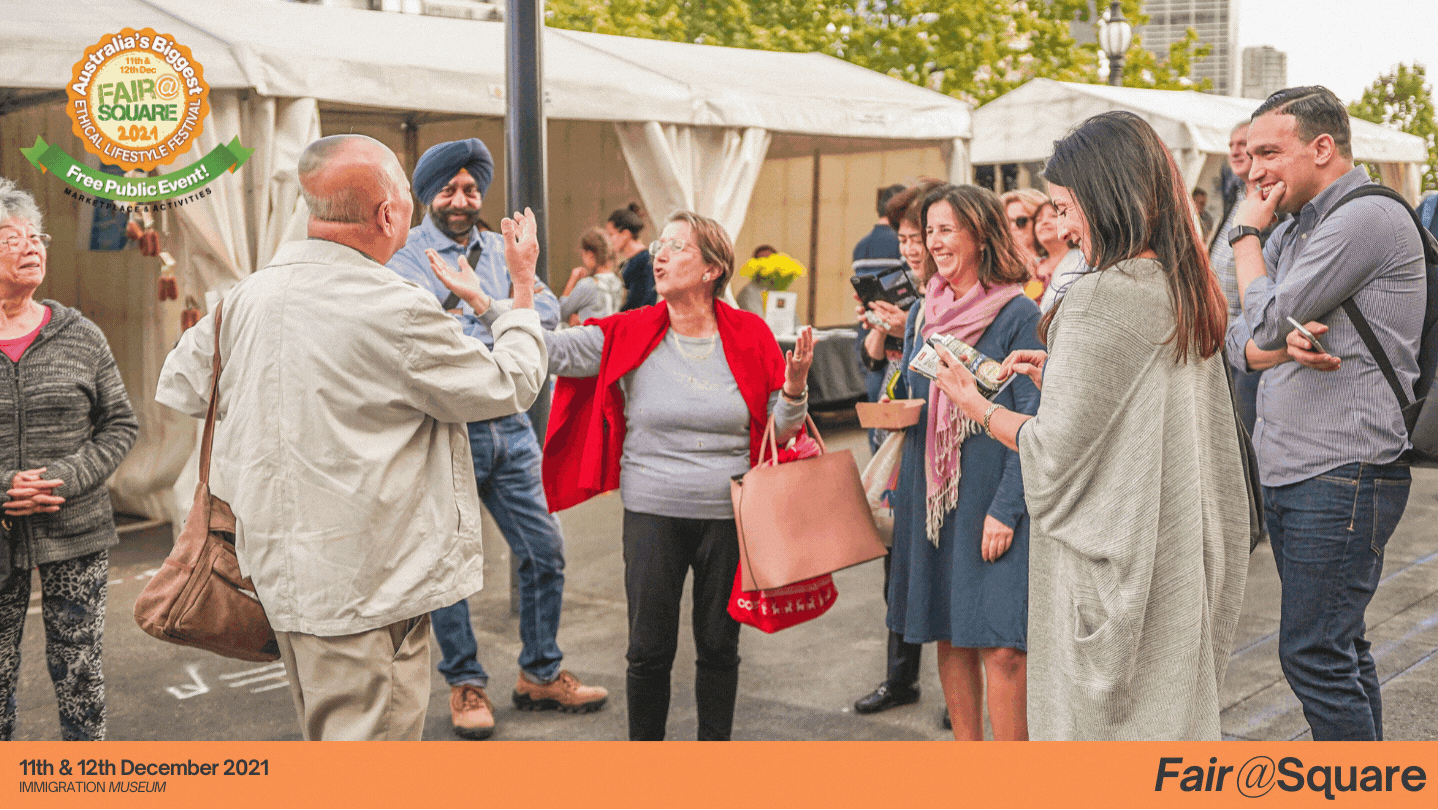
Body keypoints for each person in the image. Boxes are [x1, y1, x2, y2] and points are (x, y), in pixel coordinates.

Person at [156, 134, 549, 741]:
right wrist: (520, 290)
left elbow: (182, 385)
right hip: (367, 584)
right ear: (388, 213)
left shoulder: (247, 297)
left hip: (275, 574)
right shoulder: (392, 304)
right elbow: (511, 382)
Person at [937, 111, 1252, 740]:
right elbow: (1137, 412)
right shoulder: (1178, 282)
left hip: (1118, 567)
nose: (1059, 227)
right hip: (1178, 553)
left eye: (1063, 207)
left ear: (1106, 196)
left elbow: (1052, 453)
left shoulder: (1100, 296)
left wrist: (974, 404)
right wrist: (1059, 377)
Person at [541, 211, 814, 741]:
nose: (659, 256)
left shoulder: (750, 333)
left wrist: (796, 388)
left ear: (712, 269)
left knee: (719, 648)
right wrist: (504, 298)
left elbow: (778, 434)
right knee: (648, 652)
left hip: (728, 515)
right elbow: (552, 351)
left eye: (676, 247)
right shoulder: (632, 330)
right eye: (658, 246)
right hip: (652, 512)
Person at [386, 138, 605, 741]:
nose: (462, 200)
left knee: (545, 549)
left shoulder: (501, 251)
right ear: (427, 195)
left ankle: (540, 672)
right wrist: (499, 317)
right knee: (449, 566)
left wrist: (479, 308)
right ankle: (465, 681)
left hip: (511, 426)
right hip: (444, 429)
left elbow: (548, 313)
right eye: (449, 189)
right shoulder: (404, 255)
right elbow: (412, 333)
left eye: (471, 189)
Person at [1228, 86, 1425, 741]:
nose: (1254, 171)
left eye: (1268, 153)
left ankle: (1350, 785)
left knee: (1313, 655)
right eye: (1250, 154)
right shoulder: (1298, 226)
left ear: (1321, 147)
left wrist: (1244, 238)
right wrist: (1270, 338)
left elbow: (1261, 321)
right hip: (1297, 466)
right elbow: (1238, 336)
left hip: (1343, 469)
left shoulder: (1363, 217)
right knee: (1339, 648)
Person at [884, 184, 1042, 741]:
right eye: (930, 231)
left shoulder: (1019, 312)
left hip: (992, 498)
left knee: (1003, 647)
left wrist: (1007, 508)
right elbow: (912, 393)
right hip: (934, 499)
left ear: (981, 234)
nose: (934, 241)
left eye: (946, 229)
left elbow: (1035, 422)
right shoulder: (921, 313)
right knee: (949, 634)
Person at [0, 178, 137, 741]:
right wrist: (4, 486)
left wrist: (63, 477)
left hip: (76, 529)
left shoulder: (79, 334)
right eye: (11, 238)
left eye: (36, 237)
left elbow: (121, 424)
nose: (30, 247)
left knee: (80, 674)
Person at [852, 178, 940, 719]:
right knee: (897, 565)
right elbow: (872, 361)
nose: (909, 249)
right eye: (903, 238)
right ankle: (899, 678)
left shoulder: (951, 297)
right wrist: (879, 329)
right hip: (893, 439)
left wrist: (910, 328)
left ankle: (961, 689)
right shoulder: (905, 290)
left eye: (917, 238)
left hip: (938, 446)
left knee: (945, 569)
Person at [1207, 121, 1272, 435]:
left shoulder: (1272, 206)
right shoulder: (1234, 199)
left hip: (1253, 344)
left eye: (1242, 144)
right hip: (1220, 341)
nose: (1234, 151)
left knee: (1244, 431)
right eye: (1230, 144)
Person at [560, 227, 624, 326]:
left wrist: (572, 279)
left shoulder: (588, 284)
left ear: (590, 255)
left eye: (583, 255)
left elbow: (560, 313)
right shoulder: (617, 281)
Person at [1032, 200, 1085, 313]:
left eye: (1053, 215)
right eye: (1038, 220)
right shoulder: (1031, 268)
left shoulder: (1083, 261)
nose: (1044, 222)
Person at [1001, 188, 1047, 300]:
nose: (1012, 227)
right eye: (1007, 222)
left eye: (1021, 221)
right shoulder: (999, 265)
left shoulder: (1057, 261)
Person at [609, 203, 655, 311]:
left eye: (611, 234)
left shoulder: (645, 261)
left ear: (625, 234)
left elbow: (638, 302)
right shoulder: (628, 263)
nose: (609, 240)